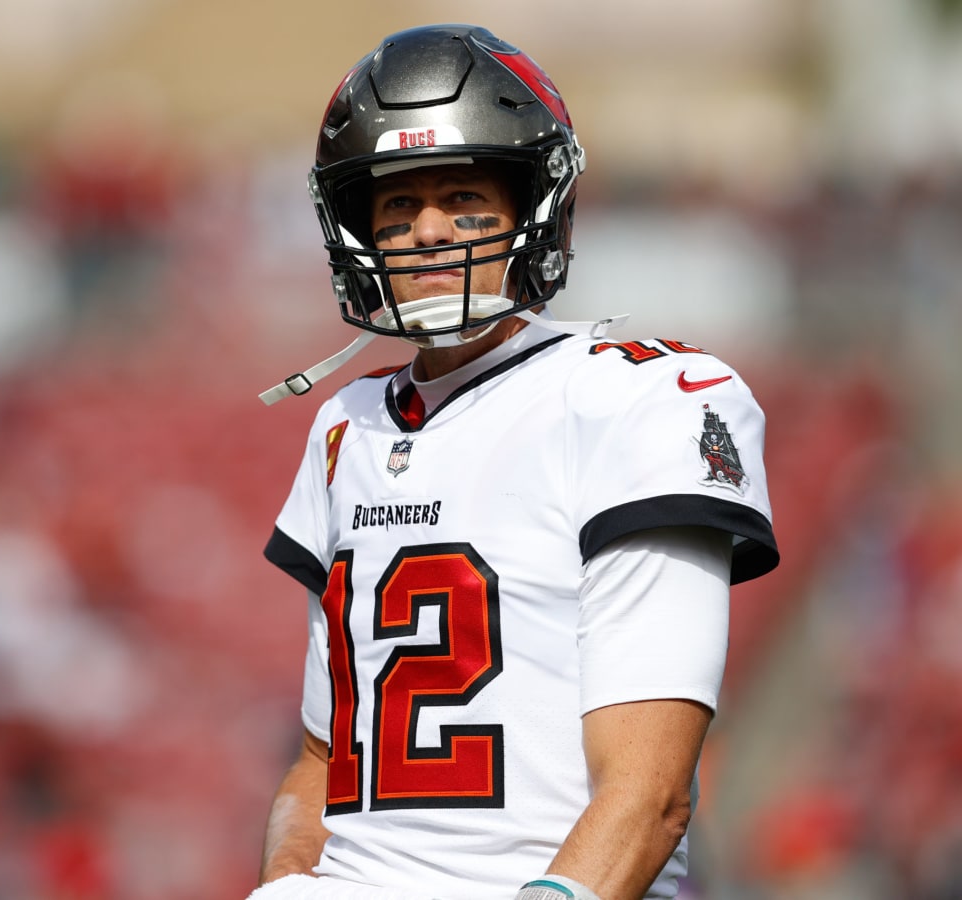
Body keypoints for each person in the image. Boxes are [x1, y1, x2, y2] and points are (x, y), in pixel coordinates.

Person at [252, 23, 779, 900]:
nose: (426, 233)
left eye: (463, 200)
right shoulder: (344, 428)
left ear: (534, 210)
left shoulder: (634, 401)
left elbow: (649, 798)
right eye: (394, 207)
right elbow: (320, 762)